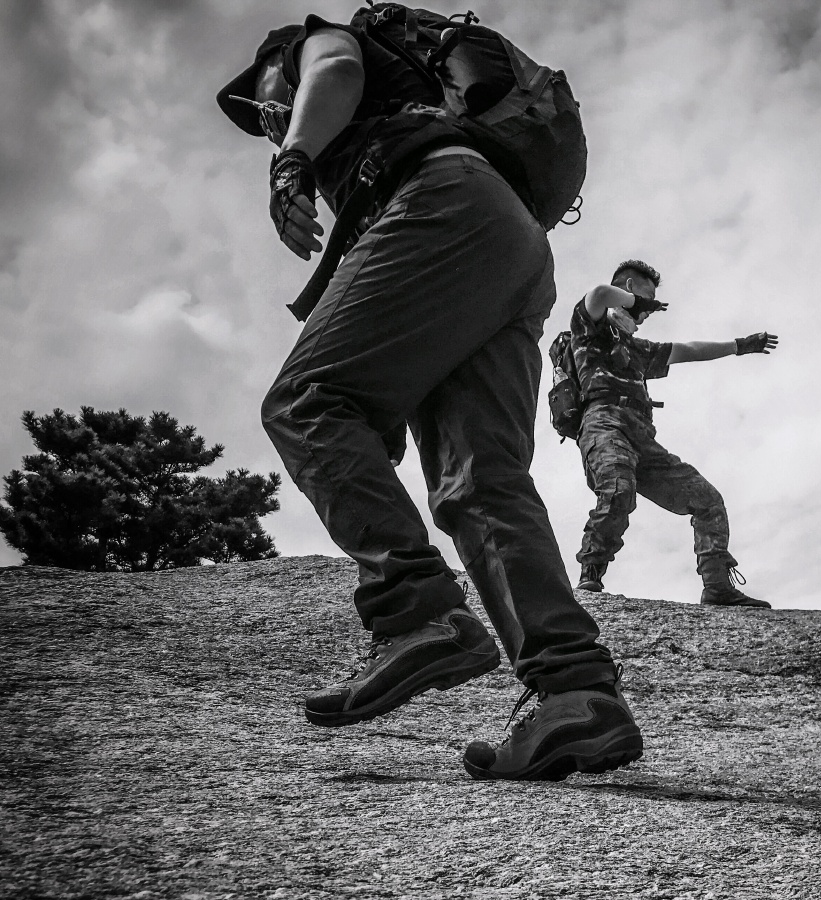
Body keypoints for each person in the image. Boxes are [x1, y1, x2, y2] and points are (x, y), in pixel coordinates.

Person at [215, 15, 642, 781]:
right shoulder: (438, 109)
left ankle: (417, 612)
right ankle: (573, 693)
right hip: (508, 240)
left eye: (262, 104)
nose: (266, 119)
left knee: (308, 400)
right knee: (482, 482)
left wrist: (292, 163)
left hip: (437, 201)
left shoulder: (312, 42)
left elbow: (336, 70)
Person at [569, 260, 778, 608]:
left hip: (641, 438)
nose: (649, 310)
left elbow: (690, 350)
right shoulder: (588, 325)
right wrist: (638, 303)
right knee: (619, 490)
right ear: (630, 286)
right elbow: (600, 293)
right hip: (604, 423)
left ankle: (717, 588)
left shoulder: (638, 348)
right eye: (647, 298)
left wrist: (739, 346)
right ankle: (591, 573)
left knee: (707, 499)